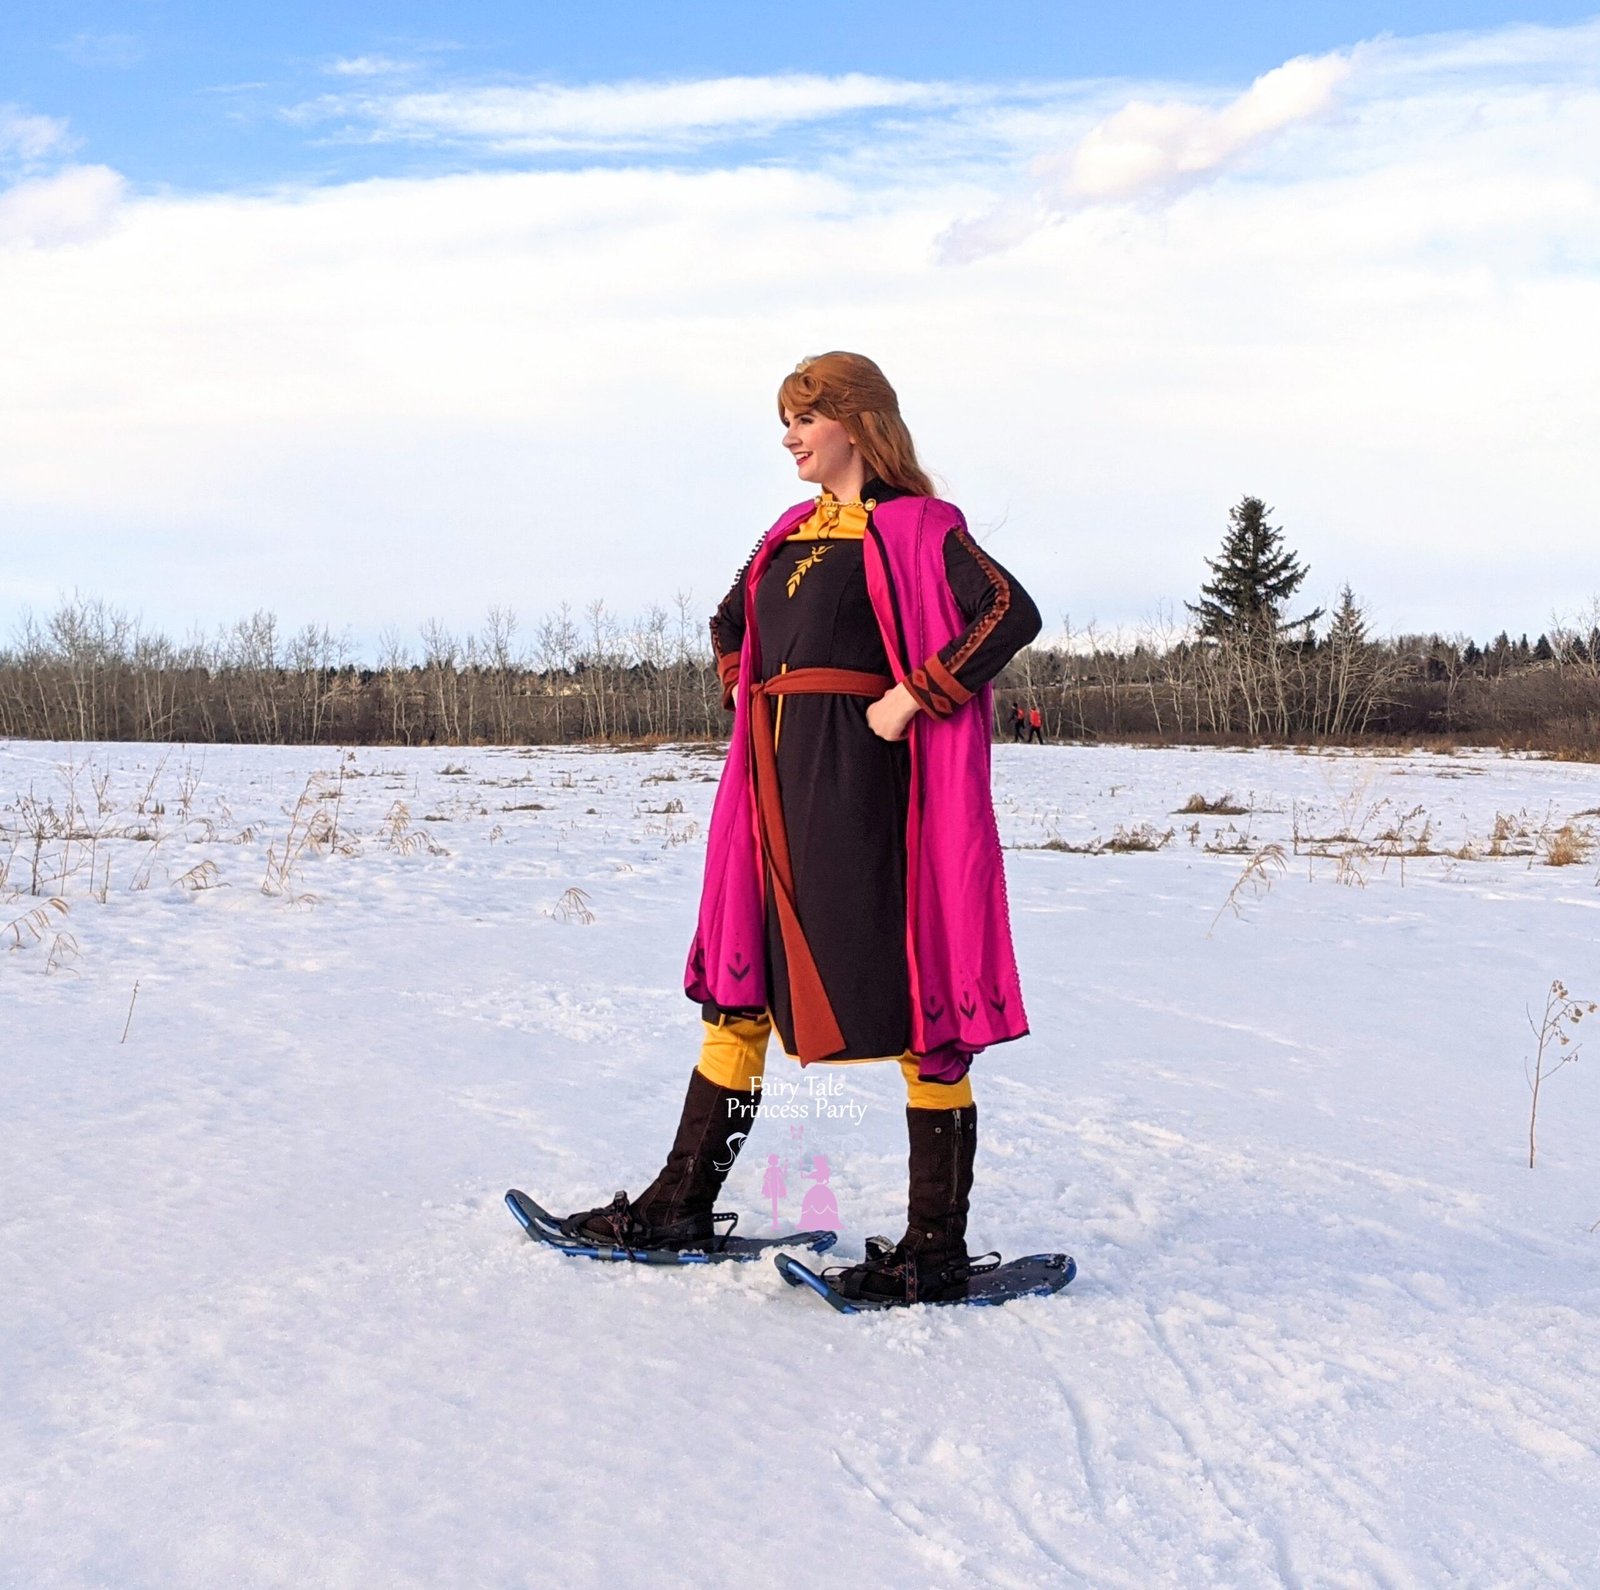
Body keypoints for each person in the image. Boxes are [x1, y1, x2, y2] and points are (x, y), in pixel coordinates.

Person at [563, 351, 1041, 1304]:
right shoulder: (786, 532)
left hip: (872, 794)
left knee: (909, 983)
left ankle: (933, 1252)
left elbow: (1009, 613)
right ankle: (677, 1206)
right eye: (785, 419)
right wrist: (750, 692)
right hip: (772, 787)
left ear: (856, 425)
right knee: (739, 984)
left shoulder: (918, 527)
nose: (788, 437)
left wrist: (913, 696)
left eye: (803, 418)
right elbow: (729, 616)